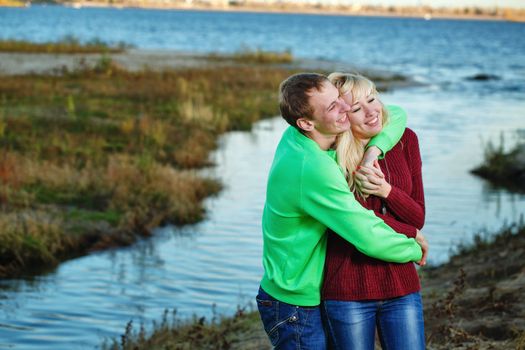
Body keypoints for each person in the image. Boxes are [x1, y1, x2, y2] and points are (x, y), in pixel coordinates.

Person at [256, 72, 428, 350]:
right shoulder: (317, 166)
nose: (346, 109)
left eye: (340, 101)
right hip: (295, 297)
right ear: (306, 122)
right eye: (336, 106)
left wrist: (374, 151)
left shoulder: (297, 136)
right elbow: (364, 230)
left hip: (301, 291)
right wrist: (414, 245)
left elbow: (395, 113)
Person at [322, 72, 427, 350]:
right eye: (357, 108)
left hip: (402, 285)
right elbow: (355, 220)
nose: (371, 112)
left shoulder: (406, 140)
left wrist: (386, 191)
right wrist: (410, 233)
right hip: (347, 289)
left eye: (373, 99)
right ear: (343, 116)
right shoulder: (330, 159)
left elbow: (418, 216)